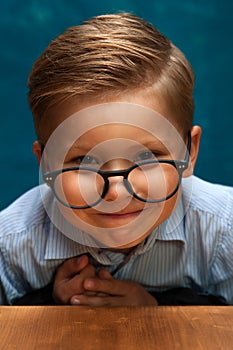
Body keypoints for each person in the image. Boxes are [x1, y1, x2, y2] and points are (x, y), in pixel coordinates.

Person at [1, 13, 232, 306]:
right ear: (45, 163)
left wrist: (158, 309)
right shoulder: (11, 244)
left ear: (189, 151)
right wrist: (46, 304)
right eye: (84, 161)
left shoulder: (224, 229)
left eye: (147, 157)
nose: (117, 193)